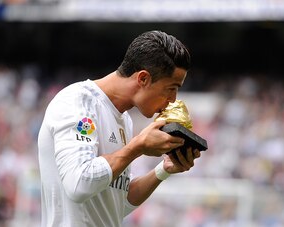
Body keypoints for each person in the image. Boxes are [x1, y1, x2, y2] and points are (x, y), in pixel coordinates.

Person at [37, 30, 201, 227]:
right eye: (171, 88)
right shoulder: (78, 103)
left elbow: (116, 203)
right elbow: (79, 184)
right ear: (143, 79)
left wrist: (163, 170)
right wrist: (137, 147)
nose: (173, 99)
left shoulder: (124, 119)